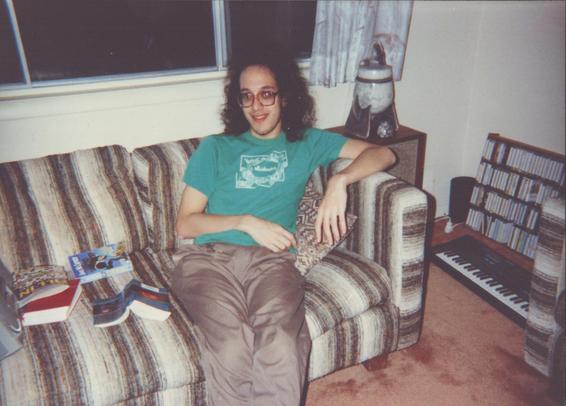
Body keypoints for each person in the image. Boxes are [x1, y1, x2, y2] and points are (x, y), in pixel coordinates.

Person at [171, 43, 396, 406]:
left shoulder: (306, 143)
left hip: (272, 262)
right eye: (247, 97)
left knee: (280, 339)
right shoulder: (215, 148)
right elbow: (185, 224)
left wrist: (340, 182)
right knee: (231, 342)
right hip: (208, 261)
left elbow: (384, 153)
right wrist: (247, 222)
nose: (256, 107)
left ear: (285, 98)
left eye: (266, 94)